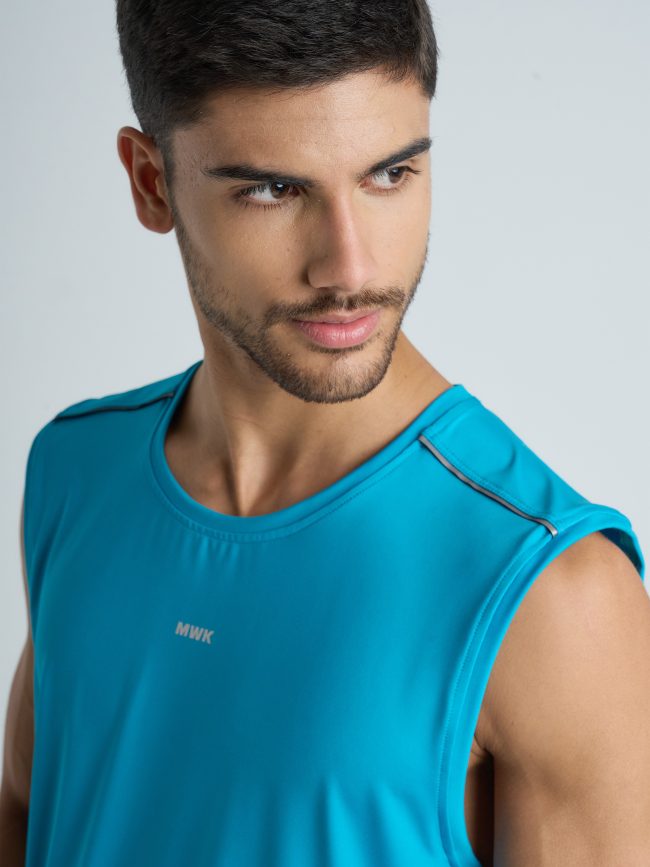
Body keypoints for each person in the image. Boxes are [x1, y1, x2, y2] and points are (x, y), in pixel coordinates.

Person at [2, 1, 649, 865]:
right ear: (152, 183)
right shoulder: (77, 468)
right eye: (274, 189)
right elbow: (28, 811)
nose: (350, 267)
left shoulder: (555, 596)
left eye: (390, 174)